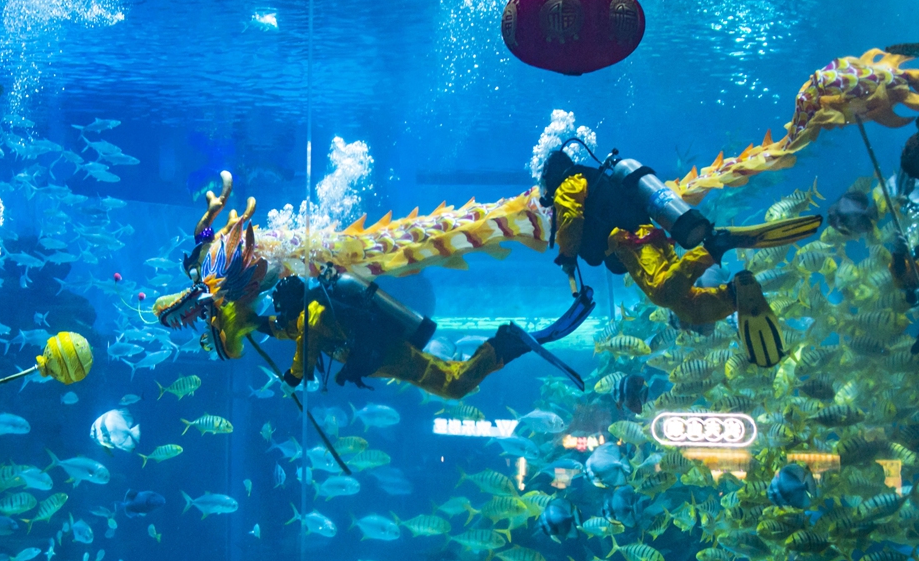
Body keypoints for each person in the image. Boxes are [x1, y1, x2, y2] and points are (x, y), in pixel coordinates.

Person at [538, 144, 822, 367]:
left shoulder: (569, 184)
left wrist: (566, 256)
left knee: (663, 293)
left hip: (629, 241)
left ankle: (714, 247)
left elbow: (571, 219)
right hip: (651, 236)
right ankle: (735, 295)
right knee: (689, 308)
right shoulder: (592, 176)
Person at [260, 268, 593, 399]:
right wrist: (259, 325)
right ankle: (508, 346)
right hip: (382, 356)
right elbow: (287, 330)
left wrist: (291, 378)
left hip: (390, 354)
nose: (282, 315)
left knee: (454, 386)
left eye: (281, 308)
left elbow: (303, 348)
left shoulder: (312, 316)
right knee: (452, 378)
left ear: (291, 303)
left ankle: (503, 342)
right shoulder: (309, 313)